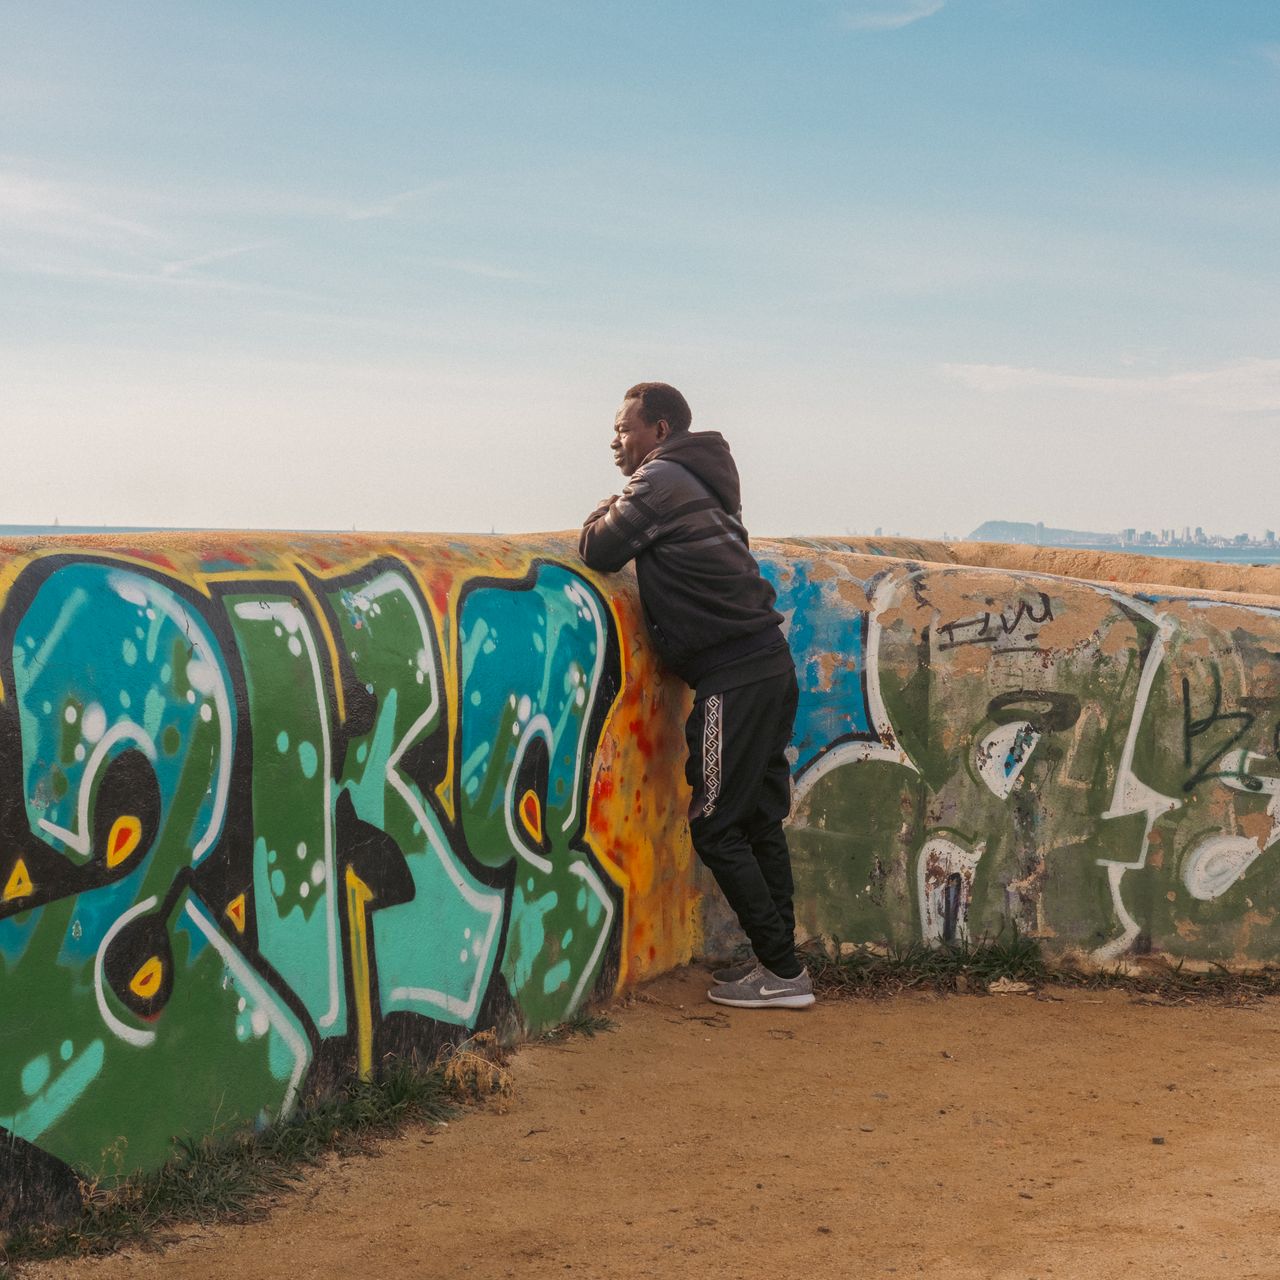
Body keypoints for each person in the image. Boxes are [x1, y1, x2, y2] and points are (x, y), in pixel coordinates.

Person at [578, 382, 814, 1009]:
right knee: (759, 818)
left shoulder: (659, 483)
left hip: (731, 677)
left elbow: (598, 549)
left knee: (714, 824)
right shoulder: (701, 482)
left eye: (625, 428)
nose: (615, 440)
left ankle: (783, 973)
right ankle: (782, 965)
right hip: (768, 664)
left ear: (658, 429)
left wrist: (606, 505)